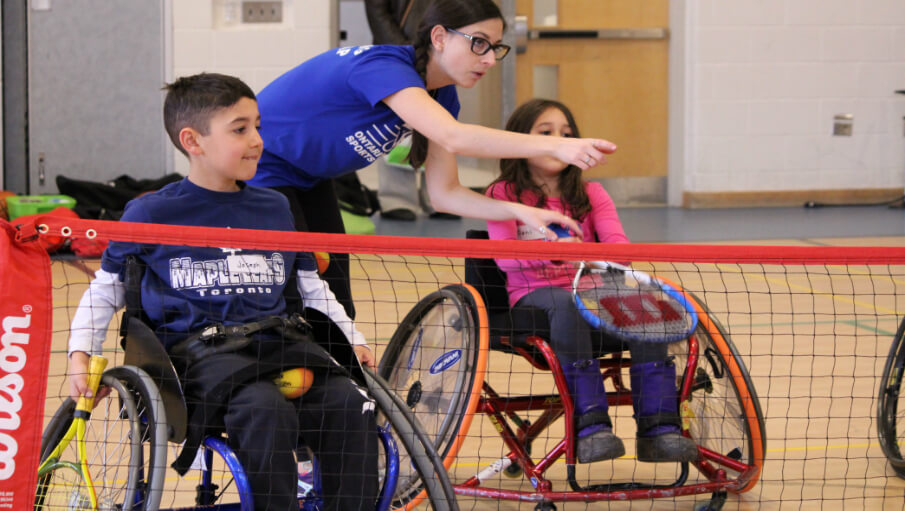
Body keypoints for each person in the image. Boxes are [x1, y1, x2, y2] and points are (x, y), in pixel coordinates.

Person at [66, 73, 378, 511]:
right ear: (193, 140)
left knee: (351, 403)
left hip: (280, 345)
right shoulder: (151, 212)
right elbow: (106, 290)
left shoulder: (275, 207)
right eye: (240, 128)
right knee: (264, 407)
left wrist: (353, 339)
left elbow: (311, 288)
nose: (257, 140)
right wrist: (82, 352)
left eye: (257, 126)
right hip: (198, 360)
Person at [249, 0, 617, 321]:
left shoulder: (442, 96)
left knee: (337, 298)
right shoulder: (385, 67)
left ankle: (337, 393)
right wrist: (552, 147)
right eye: (479, 44)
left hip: (310, 178)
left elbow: (445, 195)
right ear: (439, 37)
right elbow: (454, 136)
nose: (489, 59)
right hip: (261, 168)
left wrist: (520, 212)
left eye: (495, 48)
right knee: (298, 291)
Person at [485, 99, 698, 464]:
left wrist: (585, 251)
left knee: (643, 305)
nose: (560, 140)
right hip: (535, 300)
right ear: (521, 141)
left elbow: (620, 248)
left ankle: (659, 430)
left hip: (593, 296)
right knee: (566, 304)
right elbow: (505, 257)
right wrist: (554, 252)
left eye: (567, 134)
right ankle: (590, 428)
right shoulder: (503, 194)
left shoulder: (592, 193)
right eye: (546, 133)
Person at [363, 0, 431, 221]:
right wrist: (406, 51)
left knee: (437, 124)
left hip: (439, 50)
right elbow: (377, 12)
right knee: (397, 126)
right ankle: (397, 198)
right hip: (397, 52)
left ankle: (436, 197)